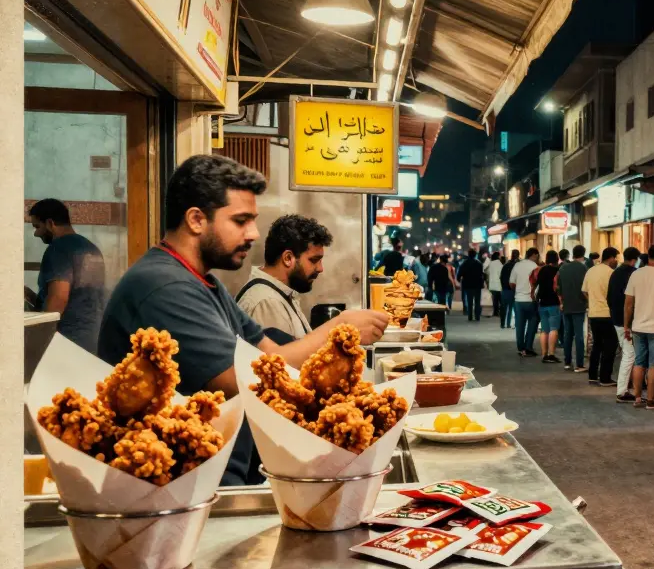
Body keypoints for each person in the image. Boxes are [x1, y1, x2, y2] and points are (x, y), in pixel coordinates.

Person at [97, 155, 389, 486]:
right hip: (179, 491)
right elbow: (245, 382)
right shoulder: (164, 287)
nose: (253, 234)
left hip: (223, 478)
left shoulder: (204, 282)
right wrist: (339, 328)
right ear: (196, 220)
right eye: (240, 221)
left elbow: (271, 362)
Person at [236, 214, 333, 341]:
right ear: (287, 258)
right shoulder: (267, 302)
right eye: (314, 260)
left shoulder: (281, 293)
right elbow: (284, 358)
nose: (320, 269)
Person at [27, 198, 106, 353]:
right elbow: (81, 296)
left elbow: (58, 299)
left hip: (66, 341)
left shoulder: (58, 249)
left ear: (50, 223)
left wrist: (39, 340)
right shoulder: (92, 249)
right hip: (92, 340)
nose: (36, 234)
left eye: (37, 226)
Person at [624, 245, 654, 410]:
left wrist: (627, 326)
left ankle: (637, 397)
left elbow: (628, 304)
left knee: (639, 362)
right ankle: (650, 399)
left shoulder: (635, 274)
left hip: (638, 326)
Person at [608, 247, 642, 402]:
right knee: (630, 355)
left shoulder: (615, 273)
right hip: (627, 321)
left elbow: (609, 297)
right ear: (635, 259)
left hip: (616, 318)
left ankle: (626, 387)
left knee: (627, 353)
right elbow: (631, 301)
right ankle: (622, 391)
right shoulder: (633, 274)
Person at [585, 247, 620, 387]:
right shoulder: (612, 273)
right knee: (610, 346)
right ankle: (605, 377)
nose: (616, 261)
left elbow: (584, 291)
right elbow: (616, 296)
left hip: (593, 314)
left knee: (597, 345)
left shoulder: (591, 270)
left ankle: (593, 375)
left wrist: (593, 302)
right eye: (615, 258)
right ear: (610, 258)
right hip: (607, 314)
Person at [556, 245, 591, 373]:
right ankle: (579, 364)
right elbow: (586, 288)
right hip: (579, 305)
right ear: (583, 254)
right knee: (579, 336)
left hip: (566, 305)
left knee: (567, 335)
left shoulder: (563, 268)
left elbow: (558, 287)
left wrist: (561, 302)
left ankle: (567, 362)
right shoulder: (584, 268)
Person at [509, 247, 540, 357]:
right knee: (532, 323)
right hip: (531, 300)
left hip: (519, 300)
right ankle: (528, 347)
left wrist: (518, 290)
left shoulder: (517, 265)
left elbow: (511, 283)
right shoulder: (535, 267)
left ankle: (520, 348)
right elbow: (537, 284)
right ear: (534, 255)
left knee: (520, 325)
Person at [533, 250, 562, 363]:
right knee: (554, 329)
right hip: (553, 302)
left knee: (544, 330)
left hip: (542, 302)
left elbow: (534, 283)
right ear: (556, 259)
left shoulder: (541, 270)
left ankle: (544, 354)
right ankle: (551, 354)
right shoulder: (557, 271)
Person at [458, 249, 485, 321]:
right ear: (475, 255)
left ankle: (470, 316)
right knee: (477, 301)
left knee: (469, 301)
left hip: (468, 285)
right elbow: (482, 274)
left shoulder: (464, 263)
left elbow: (460, 273)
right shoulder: (479, 263)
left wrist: (458, 279)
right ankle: (477, 317)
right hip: (477, 285)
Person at [499, 250, 520, 329]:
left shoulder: (506, 265)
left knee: (504, 307)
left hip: (505, 289)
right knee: (513, 308)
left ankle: (502, 324)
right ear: (518, 256)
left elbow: (501, 277)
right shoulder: (517, 266)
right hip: (514, 289)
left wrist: (503, 286)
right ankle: (511, 324)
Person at [485, 251, 505, 320]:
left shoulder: (491, 264)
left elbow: (486, 271)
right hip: (499, 285)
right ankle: (500, 312)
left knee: (495, 300)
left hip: (492, 285)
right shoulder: (500, 265)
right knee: (500, 300)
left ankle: (495, 312)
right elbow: (502, 275)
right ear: (498, 256)